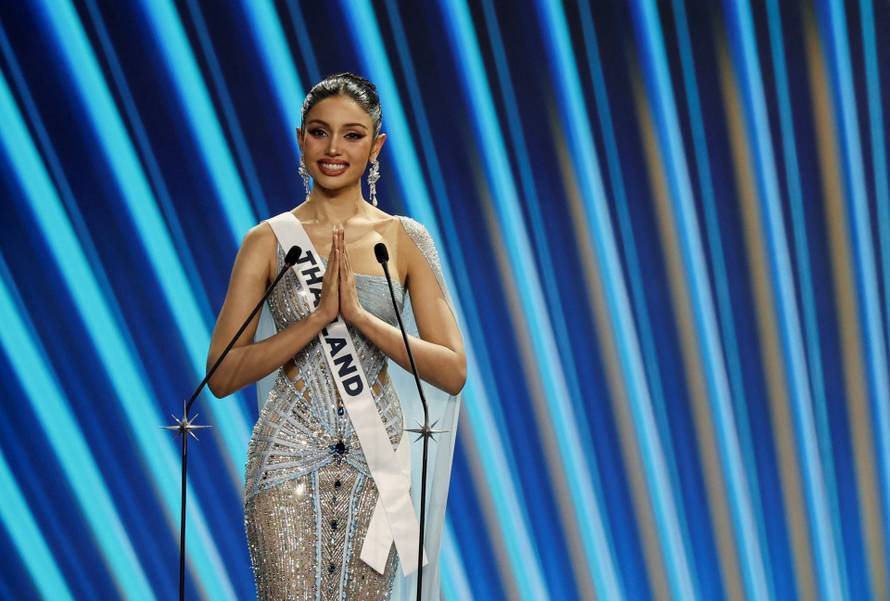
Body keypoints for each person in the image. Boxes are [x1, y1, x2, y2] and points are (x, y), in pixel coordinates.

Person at [206, 72, 466, 600]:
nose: (334, 148)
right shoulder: (268, 240)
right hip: (287, 459)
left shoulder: (405, 239)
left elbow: (452, 370)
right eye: (320, 132)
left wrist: (362, 320)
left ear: (377, 146)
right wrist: (315, 321)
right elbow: (221, 375)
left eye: (352, 134)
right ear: (301, 139)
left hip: (378, 463)